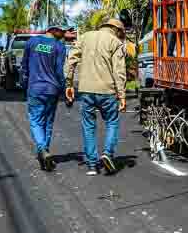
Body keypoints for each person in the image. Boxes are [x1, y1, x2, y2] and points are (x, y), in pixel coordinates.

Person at [64, 18, 128, 176]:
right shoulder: (115, 42)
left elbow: (71, 60)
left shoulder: (85, 37)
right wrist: (122, 95)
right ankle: (107, 153)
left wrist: (69, 84)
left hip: (86, 90)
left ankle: (92, 164)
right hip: (107, 91)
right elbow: (119, 72)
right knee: (112, 122)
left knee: (88, 126)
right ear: (117, 31)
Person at [20, 25, 67, 172]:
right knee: (48, 122)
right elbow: (60, 71)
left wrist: (24, 83)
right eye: (62, 32)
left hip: (35, 88)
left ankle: (42, 149)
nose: (64, 34)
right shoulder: (59, 46)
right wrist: (63, 88)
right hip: (52, 89)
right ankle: (45, 151)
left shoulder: (32, 42)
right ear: (55, 31)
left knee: (35, 120)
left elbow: (24, 66)